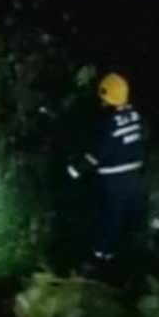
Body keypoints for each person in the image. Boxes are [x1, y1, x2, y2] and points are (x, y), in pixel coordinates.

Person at [66, 73, 146, 270]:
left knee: (107, 216)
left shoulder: (108, 122)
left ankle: (101, 259)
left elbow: (98, 153)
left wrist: (76, 170)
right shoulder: (135, 114)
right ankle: (119, 253)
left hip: (113, 178)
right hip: (134, 175)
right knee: (121, 216)